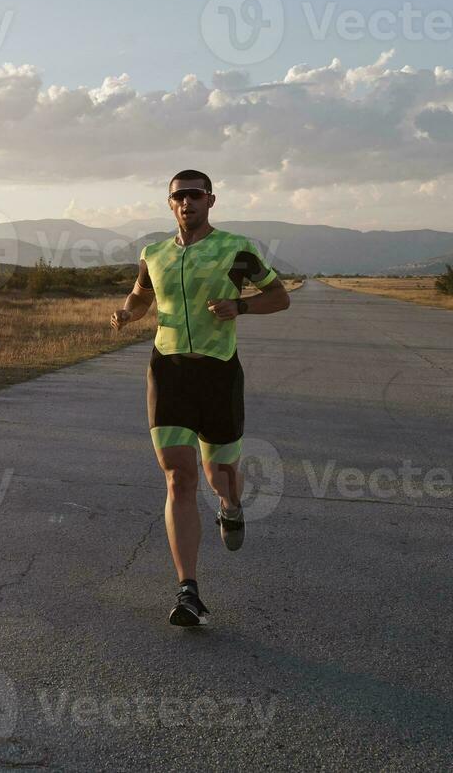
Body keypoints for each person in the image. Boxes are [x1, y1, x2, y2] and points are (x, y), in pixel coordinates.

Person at [110, 170, 291, 626]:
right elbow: (139, 297)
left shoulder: (237, 248)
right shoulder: (153, 254)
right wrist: (127, 314)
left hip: (218, 373)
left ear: (211, 200)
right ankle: (187, 589)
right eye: (179, 196)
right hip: (168, 371)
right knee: (178, 478)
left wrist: (242, 306)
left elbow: (280, 297)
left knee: (220, 475)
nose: (187, 202)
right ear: (169, 203)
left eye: (195, 195)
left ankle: (231, 507)